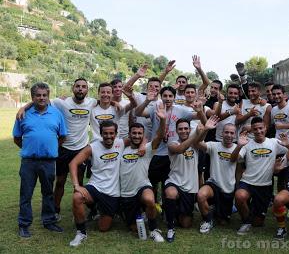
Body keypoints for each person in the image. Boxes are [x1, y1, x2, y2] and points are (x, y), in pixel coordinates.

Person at [16, 78, 98, 220]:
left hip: (81, 148)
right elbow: (42, 100)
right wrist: (24, 107)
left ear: (87, 90)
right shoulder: (61, 103)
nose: (80, 89)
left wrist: (115, 102)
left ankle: (79, 211)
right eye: (77, 86)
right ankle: (56, 210)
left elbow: (106, 101)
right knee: (59, 181)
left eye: (84, 87)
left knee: (78, 182)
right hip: (64, 148)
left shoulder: (91, 102)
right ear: (73, 88)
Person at [135, 86, 205, 209]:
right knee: (152, 183)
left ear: (174, 97)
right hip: (156, 153)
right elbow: (138, 113)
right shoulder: (154, 108)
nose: (167, 98)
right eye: (165, 96)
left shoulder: (181, 110)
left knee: (167, 184)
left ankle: (167, 210)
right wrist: (146, 101)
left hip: (171, 154)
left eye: (170, 96)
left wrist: (200, 109)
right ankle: (151, 208)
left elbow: (199, 117)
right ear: (161, 97)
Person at [13, 82, 67, 238]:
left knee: (48, 193)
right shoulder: (23, 114)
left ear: (48, 96)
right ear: (32, 97)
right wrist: (30, 149)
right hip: (29, 162)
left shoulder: (56, 114)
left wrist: (51, 148)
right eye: (38, 95)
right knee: (26, 194)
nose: (41, 98)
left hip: (48, 162)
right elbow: (17, 138)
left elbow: (63, 136)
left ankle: (49, 221)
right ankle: (24, 224)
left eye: (44, 95)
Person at [230, 116, 289, 235]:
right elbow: (233, 159)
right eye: (255, 129)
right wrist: (238, 145)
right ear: (252, 130)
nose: (258, 131)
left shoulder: (274, 142)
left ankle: (253, 212)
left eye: (260, 128)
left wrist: (288, 146)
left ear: (265, 128)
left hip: (265, 185)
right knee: (240, 196)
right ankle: (246, 222)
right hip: (247, 182)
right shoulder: (246, 144)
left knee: (258, 223)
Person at [68, 121, 124, 247]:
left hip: (112, 192)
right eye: (105, 133)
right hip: (96, 186)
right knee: (77, 197)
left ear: (116, 134)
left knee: (103, 228)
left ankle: (100, 210)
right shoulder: (92, 147)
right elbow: (73, 163)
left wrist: (142, 145)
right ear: (100, 133)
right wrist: (77, 185)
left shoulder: (121, 143)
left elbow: (141, 138)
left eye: (111, 133)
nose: (108, 136)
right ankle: (81, 232)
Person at [164, 116, 219, 242]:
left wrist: (205, 130)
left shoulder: (195, 144)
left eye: (186, 129)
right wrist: (196, 135)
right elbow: (180, 149)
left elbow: (200, 138)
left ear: (190, 129)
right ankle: (170, 228)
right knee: (171, 193)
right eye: (180, 129)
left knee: (186, 224)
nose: (183, 131)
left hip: (189, 187)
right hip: (174, 182)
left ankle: (175, 211)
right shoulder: (172, 144)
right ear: (176, 131)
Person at [119, 103, 166, 242]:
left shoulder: (147, 149)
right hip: (127, 192)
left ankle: (153, 229)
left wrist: (163, 120)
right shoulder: (121, 148)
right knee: (134, 228)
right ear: (129, 134)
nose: (137, 135)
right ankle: (138, 214)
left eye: (140, 133)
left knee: (149, 200)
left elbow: (160, 135)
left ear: (143, 135)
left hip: (142, 186)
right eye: (134, 133)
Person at [196, 123, 237, 233]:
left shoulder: (239, 149)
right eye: (226, 132)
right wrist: (206, 129)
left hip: (228, 189)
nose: (229, 135)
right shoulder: (214, 145)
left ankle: (218, 209)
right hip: (213, 184)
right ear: (221, 133)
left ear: (235, 135)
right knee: (201, 195)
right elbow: (197, 143)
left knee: (223, 222)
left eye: (232, 133)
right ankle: (208, 221)